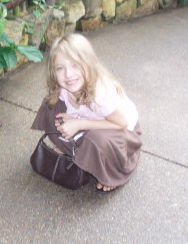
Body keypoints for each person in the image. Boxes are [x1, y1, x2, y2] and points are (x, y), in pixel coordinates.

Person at [31, 33, 142, 193]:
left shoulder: (100, 93)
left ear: (89, 64)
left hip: (123, 133)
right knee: (51, 106)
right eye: (60, 68)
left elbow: (122, 123)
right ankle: (75, 149)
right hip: (93, 122)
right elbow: (76, 110)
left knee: (97, 139)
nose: (68, 74)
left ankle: (114, 172)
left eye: (75, 65)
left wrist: (78, 123)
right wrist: (73, 118)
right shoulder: (64, 87)